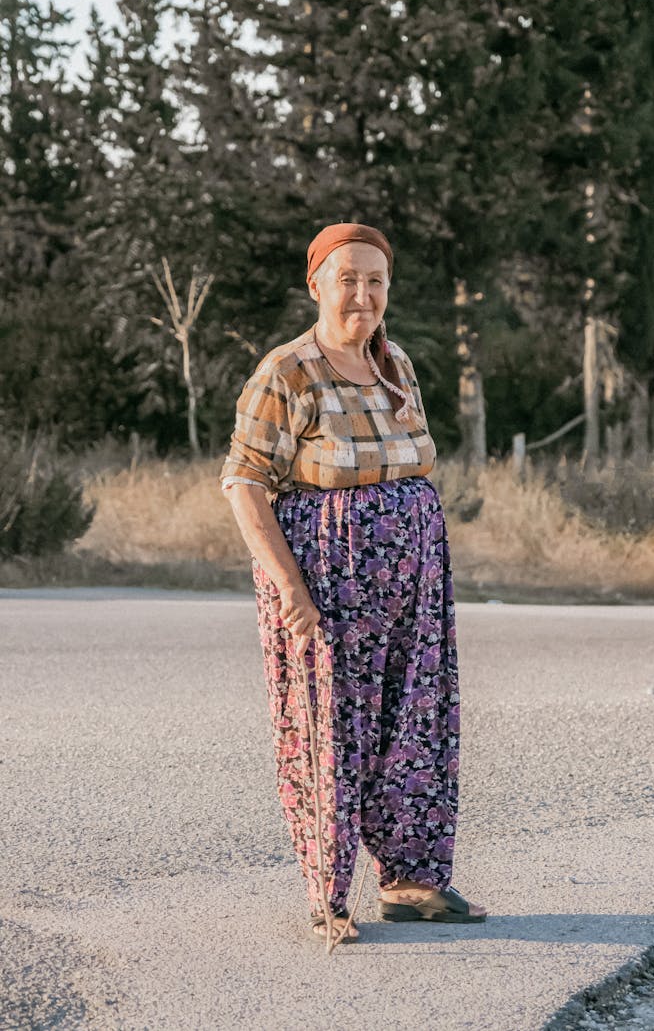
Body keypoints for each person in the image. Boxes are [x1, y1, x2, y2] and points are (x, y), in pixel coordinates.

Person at [220, 221, 486, 941]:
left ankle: (412, 882)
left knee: (417, 722)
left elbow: (412, 463)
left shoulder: (396, 360)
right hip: (329, 584)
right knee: (332, 730)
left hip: (414, 582)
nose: (362, 294)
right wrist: (289, 588)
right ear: (316, 284)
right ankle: (329, 898)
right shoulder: (288, 370)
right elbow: (243, 481)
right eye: (348, 279)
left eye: (376, 280)